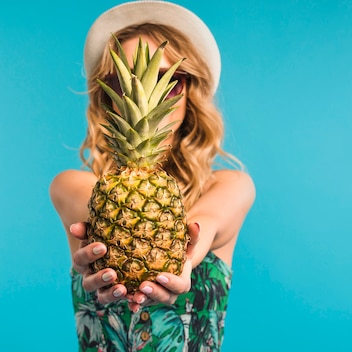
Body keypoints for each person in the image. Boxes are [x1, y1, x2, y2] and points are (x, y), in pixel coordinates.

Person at [49, 1, 255, 350]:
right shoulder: (73, 185)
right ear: (108, 98)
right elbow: (90, 204)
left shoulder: (231, 186)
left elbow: (207, 221)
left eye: (169, 80)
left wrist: (186, 256)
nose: (143, 93)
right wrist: (112, 217)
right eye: (122, 82)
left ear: (190, 92)